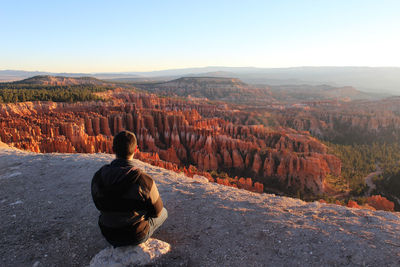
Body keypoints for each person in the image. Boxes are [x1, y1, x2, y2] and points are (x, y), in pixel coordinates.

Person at [91, 130, 168, 247]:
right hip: (135, 235)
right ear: (136, 150)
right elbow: (157, 212)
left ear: (113, 149)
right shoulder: (143, 180)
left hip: (108, 234)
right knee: (164, 212)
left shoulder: (98, 176)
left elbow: (98, 205)